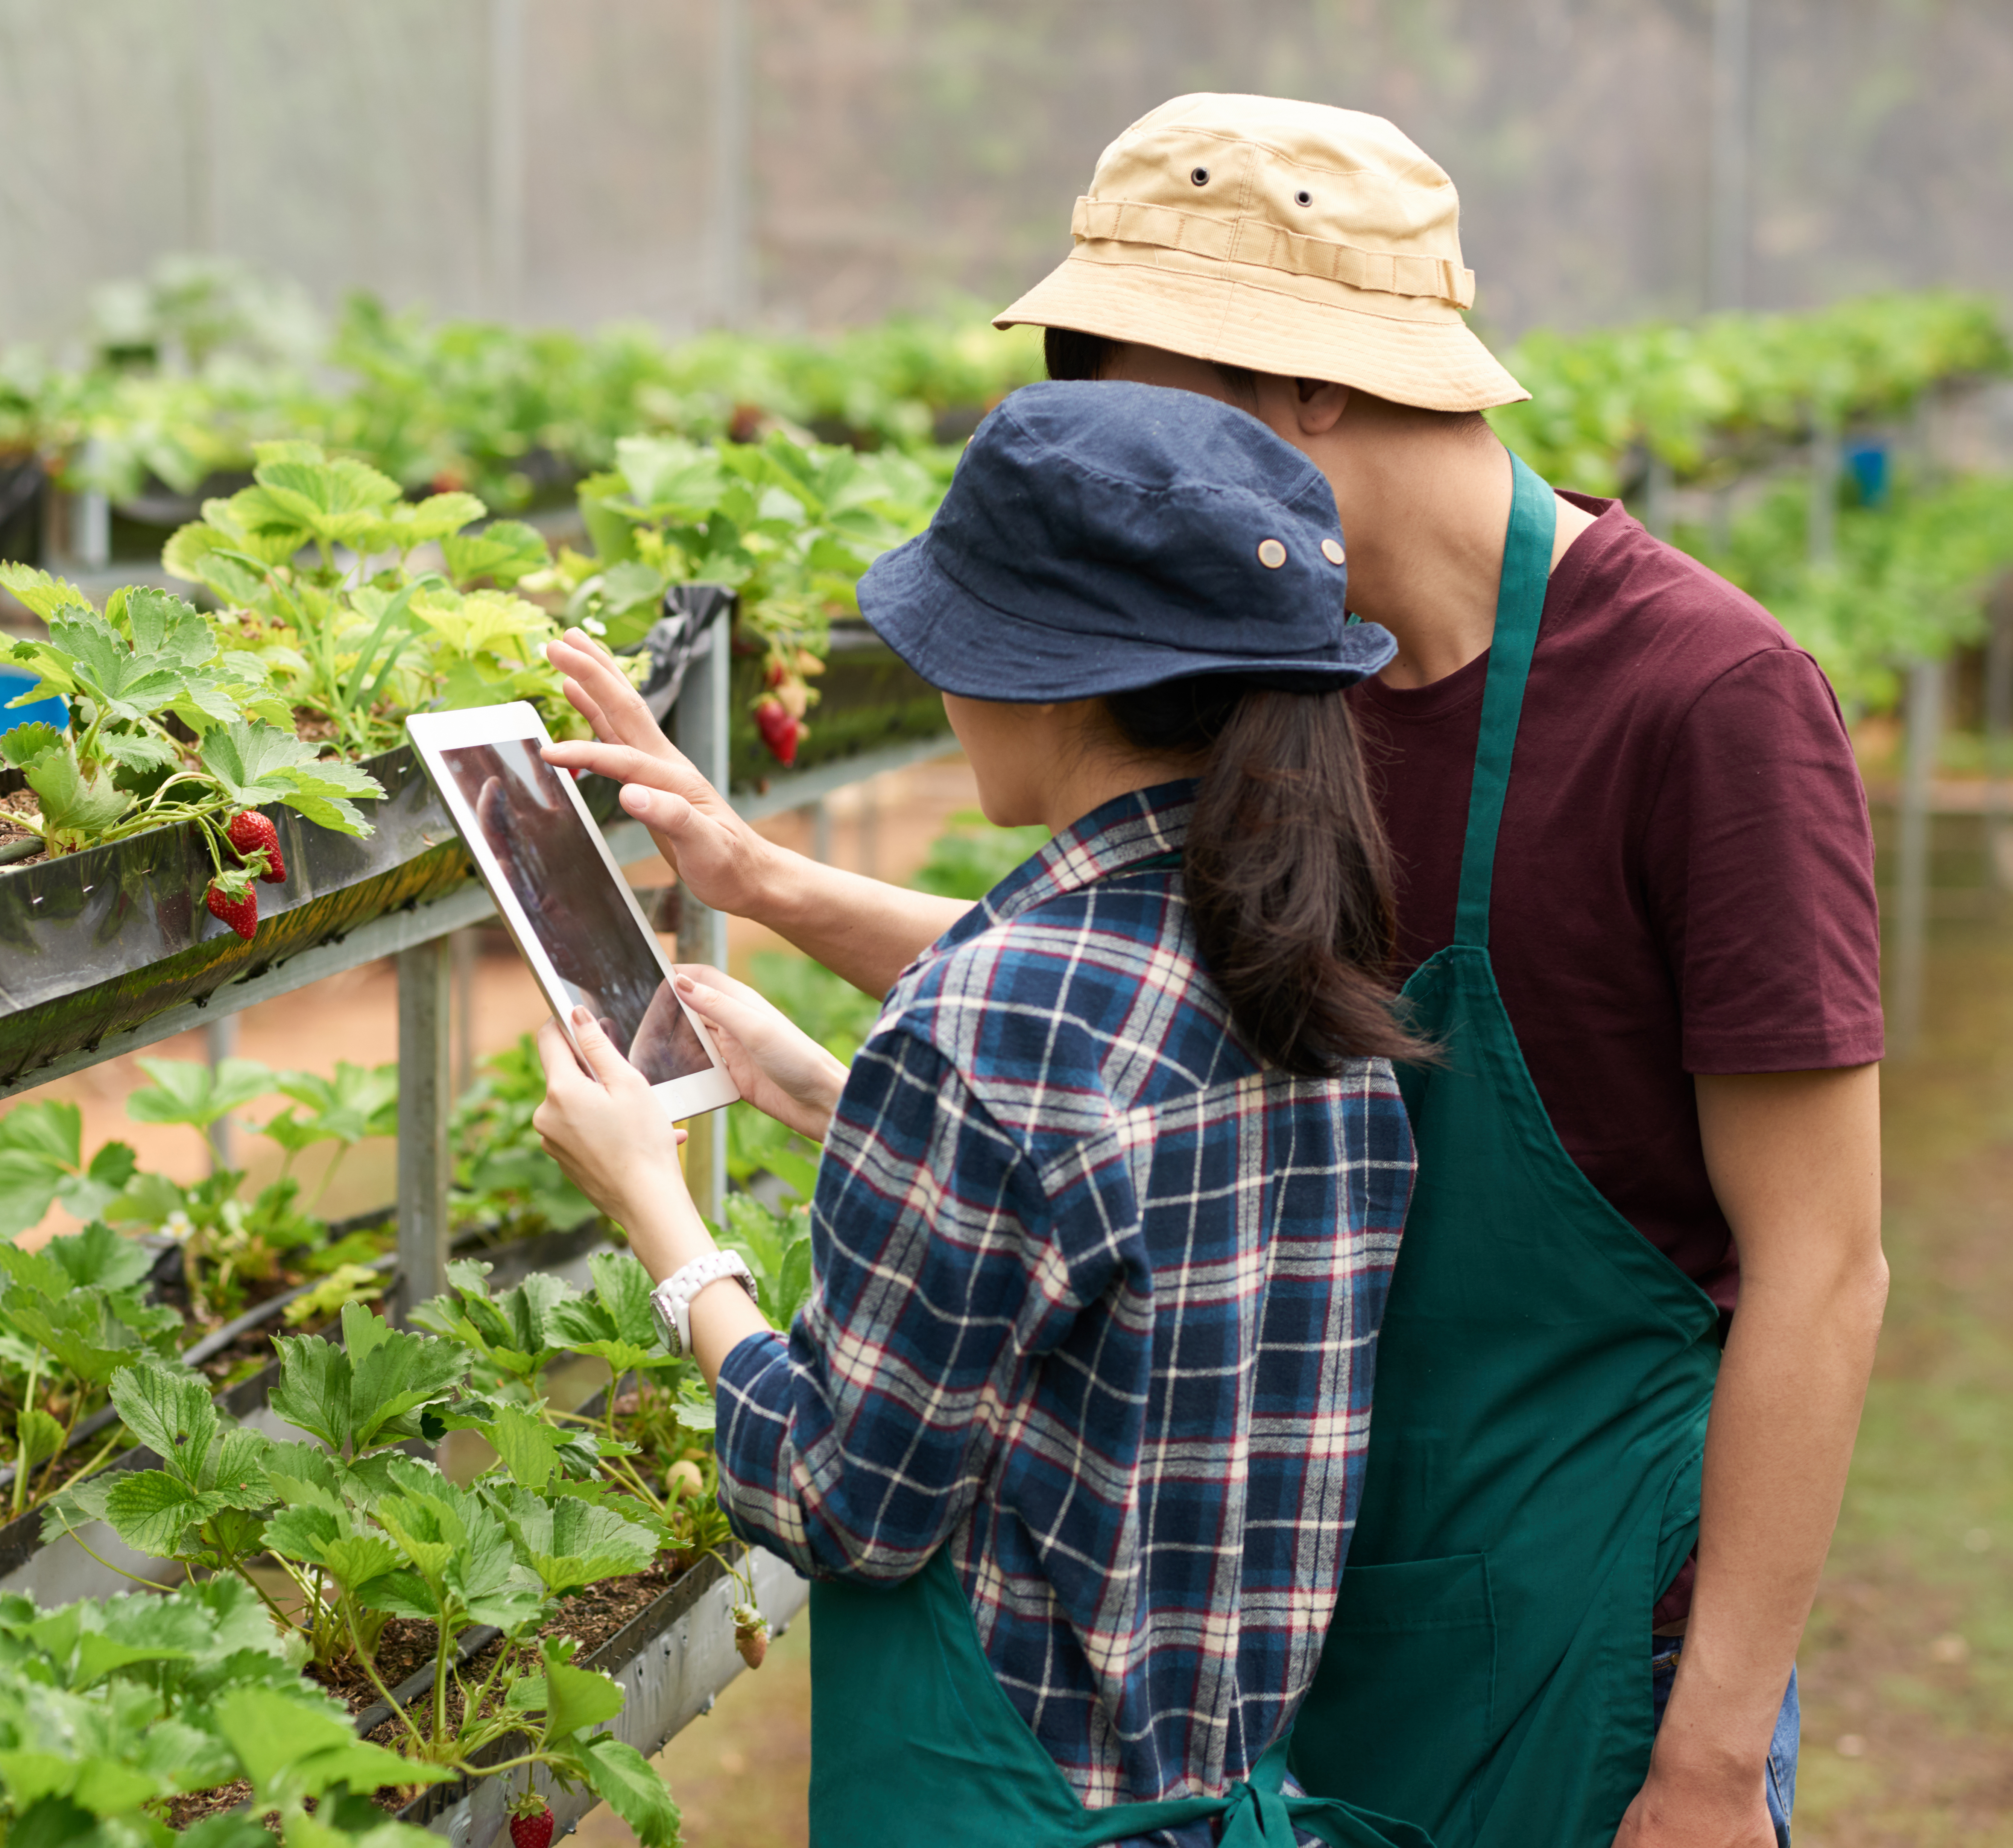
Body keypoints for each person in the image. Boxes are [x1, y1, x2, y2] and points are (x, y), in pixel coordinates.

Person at [544, 93, 1887, 1848]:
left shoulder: (1699, 701)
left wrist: (1709, 1753)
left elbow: (1825, 1265)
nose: (1101, 446)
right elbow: (1161, 1029)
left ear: (1309, 382)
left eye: (1118, 384)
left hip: (1584, 1645)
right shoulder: (1277, 677)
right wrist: (766, 883)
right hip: (1272, 1627)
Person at [531, 380, 1436, 1847]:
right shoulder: (1309, 976)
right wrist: (828, 1083)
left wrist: (662, 1218)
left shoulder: (991, 1017)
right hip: (1224, 1796)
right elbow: (1103, 1252)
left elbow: (841, 1501)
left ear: (1056, 678)